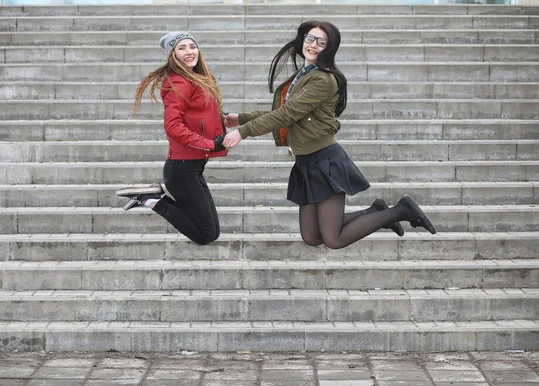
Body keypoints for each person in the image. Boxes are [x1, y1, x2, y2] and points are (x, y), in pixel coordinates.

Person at [223, 21, 436, 249]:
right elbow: (286, 112)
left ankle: (400, 210)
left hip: (325, 162)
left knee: (333, 239)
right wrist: (242, 117)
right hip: (306, 163)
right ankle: (375, 212)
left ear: (329, 48)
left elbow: (288, 113)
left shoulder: (324, 80)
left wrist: (243, 133)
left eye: (321, 42)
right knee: (313, 237)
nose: (313, 45)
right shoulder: (305, 74)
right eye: (310, 39)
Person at [116, 31, 227, 245]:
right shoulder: (178, 83)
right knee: (205, 235)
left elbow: (197, 115)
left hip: (192, 168)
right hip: (182, 170)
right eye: (182, 48)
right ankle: (150, 199)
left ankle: (153, 197)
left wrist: (224, 120)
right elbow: (173, 126)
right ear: (172, 55)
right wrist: (210, 144)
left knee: (212, 233)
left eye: (192, 46)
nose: (189, 52)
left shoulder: (193, 79)